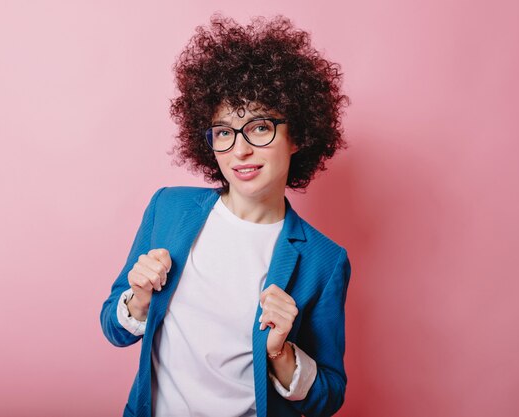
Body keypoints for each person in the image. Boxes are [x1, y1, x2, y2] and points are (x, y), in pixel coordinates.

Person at [100, 14, 351, 417]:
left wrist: (282, 353)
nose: (240, 150)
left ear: (298, 136)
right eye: (224, 131)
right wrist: (140, 301)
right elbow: (113, 328)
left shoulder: (324, 261)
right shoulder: (169, 207)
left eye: (259, 127)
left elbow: (329, 396)